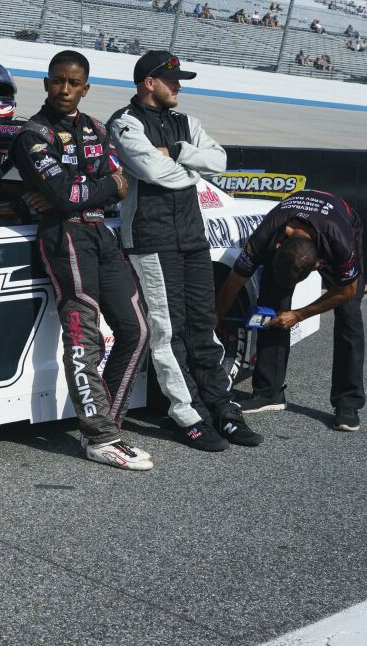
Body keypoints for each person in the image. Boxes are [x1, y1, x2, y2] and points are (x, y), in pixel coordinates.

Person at [107, 51, 262, 451]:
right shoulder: (124, 124)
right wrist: (190, 169)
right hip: (150, 239)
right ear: (148, 83)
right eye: (171, 80)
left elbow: (219, 160)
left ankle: (222, 408)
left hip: (193, 236)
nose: (179, 86)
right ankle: (186, 415)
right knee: (168, 330)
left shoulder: (186, 123)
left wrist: (176, 152)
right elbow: (154, 174)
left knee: (203, 326)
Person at [11, 51, 150, 470]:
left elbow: (119, 185)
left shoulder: (95, 127)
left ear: (85, 88)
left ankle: (108, 423)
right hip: (65, 235)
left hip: (100, 234)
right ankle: (100, 435)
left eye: (73, 84)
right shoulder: (32, 135)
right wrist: (103, 184)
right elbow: (65, 196)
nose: (65, 90)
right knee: (84, 333)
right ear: (47, 83)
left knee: (138, 329)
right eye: (58, 81)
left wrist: (94, 186)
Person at [216, 190, 365, 431]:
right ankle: (269, 392)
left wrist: (299, 314)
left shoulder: (339, 241)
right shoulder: (266, 234)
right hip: (292, 224)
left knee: (349, 314)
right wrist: (214, 323)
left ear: (318, 264)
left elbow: (347, 290)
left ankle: (347, 402)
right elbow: (233, 282)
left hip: (342, 218)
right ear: (278, 246)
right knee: (270, 304)